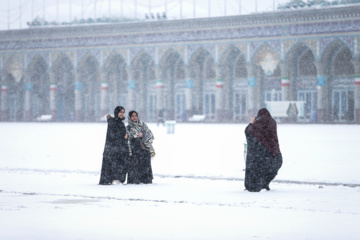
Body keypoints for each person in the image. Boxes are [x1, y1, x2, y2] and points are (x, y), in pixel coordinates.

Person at [244, 108, 283, 192]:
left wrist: (251, 123)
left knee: (257, 167)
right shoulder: (272, 122)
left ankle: (255, 185)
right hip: (275, 154)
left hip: (264, 154)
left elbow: (248, 131)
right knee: (268, 170)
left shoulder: (261, 121)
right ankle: (264, 184)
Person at [99, 106, 130, 185]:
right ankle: (113, 179)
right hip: (113, 148)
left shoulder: (120, 122)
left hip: (120, 147)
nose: (122, 114)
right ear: (116, 112)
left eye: (123, 112)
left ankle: (117, 178)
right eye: (120, 112)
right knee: (114, 164)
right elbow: (112, 135)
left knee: (121, 163)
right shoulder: (112, 122)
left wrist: (126, 136)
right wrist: (123, 136)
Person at [126, 110, 155, 184]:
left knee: (145, 166)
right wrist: (136, 135)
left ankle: (146, 180)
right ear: (129, 117)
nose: (134, 117)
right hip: (134, 150)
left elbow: (150, 135)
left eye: (136, 116)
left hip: (144, 150)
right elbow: (127, 137)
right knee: (134, 167)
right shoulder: (128, 127)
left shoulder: (143, 125)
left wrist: (143, 135)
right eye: (132, 116)